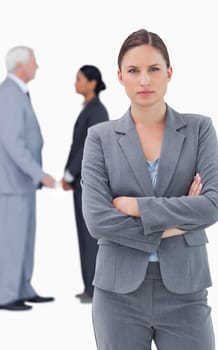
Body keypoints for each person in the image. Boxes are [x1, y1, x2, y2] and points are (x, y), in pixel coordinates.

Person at [81, 29, 218, 349]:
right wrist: (176, 223)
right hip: (118, 295)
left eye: (153, 69)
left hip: (185, 291)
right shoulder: (100, 138)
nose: (144, 80)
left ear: (169, 73)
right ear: (120, 77)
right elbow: (98, 221)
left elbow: (212, 205)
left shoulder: (199, 129)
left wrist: (137, 207)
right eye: (134, 71)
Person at [0, 46, 56, 311]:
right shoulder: (9, 94)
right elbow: (12, 142)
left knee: (25, 239)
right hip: (11, 183)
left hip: (22, 184)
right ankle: (6, 294)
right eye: (34, 62)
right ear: (21, 65)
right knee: (11, 241)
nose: (37, 66)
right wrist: (39, 173)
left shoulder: (18, 93)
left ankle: (22, 287)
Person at [62, 65, 109, 303]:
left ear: (92, 82)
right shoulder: (88, 110)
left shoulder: (98, 111)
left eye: (79, 79)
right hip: (81, 182)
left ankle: (96, 287)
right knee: (83, 233)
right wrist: (68, 174)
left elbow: (87, 147)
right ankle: (89, 286)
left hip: (90, 183)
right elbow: (76, 145)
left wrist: (70, 173)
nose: (75, 83)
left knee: (91, 235)